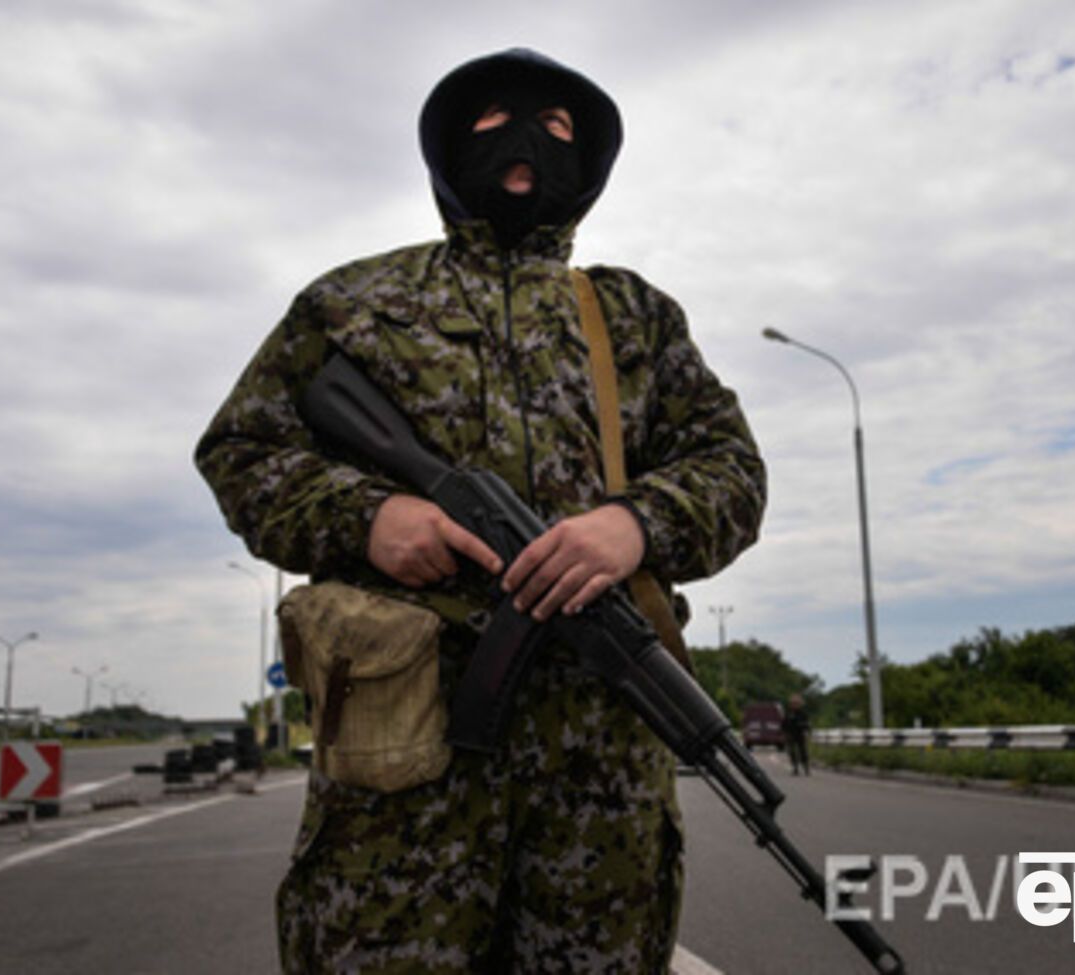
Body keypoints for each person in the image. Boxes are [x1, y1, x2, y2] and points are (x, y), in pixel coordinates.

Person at [195, 48, 766, 974]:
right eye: (495, 120)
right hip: (403, 783)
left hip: (600, 786)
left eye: (560, 127)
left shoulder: (633, 318)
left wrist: (636, 523)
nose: (528, 141)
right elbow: (241, 450)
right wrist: (369, 515)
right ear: (449, 151)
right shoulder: (357, 303)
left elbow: (733, 470)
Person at [783, 693, 812, 776]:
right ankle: (795, 768)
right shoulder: (788, 713)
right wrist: (784, 733)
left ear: (800, 704)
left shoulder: (803, 713)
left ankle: (806, 767)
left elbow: (807, 724)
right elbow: (784, 724)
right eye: (793, 703)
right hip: (791, 734)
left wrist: (806, 732)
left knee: (803, 751)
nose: (794, 705)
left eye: (796, 703)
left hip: (800, 734)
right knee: (792, 751)